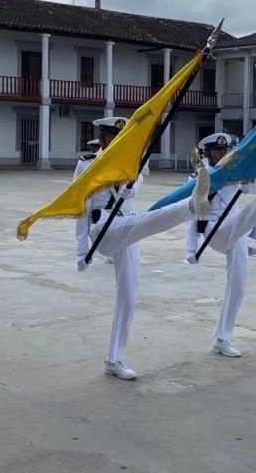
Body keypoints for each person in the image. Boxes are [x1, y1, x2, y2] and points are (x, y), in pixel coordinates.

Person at [74, 117, 211, 380]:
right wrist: (81, 250)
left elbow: (135, 188)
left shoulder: (134, 162)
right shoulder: (87, 164)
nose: (116, 140)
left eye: (120, 135)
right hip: (102, 228)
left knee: (129, 295)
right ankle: (192, 206)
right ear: (102, 137)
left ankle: (114, 359)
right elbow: (78, 205)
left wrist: (130, 186)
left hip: (126, 225)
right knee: (147, 222)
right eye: (112, 135)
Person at [185, 133, 256, 357]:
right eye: (216, 151)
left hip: (235, 228)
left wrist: (245, 184)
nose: (221, 154)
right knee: (249, 214)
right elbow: (190, 214)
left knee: (238, 286)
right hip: (213, 230)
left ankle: (222, 337)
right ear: (207, 153)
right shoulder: (197, 177)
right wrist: (190, 248)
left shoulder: (233, 174)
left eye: (223, 150)